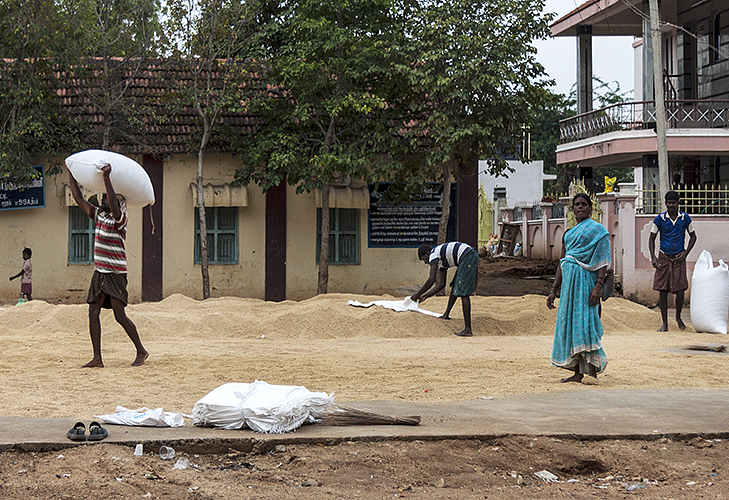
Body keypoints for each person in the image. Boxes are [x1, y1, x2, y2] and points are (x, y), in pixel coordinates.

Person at [66, 162, 148, 367]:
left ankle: (141, 351)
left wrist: (106, 178)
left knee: (120, 316)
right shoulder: (99, 216)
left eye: (106, 198)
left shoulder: (120, 220)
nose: (103, 200)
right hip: (99, 273)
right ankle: (97, 358)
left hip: (115, 274)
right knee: (93, 312)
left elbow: (113, 204)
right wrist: (71, 175)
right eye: (102, 198)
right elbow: (78, 199)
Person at [546, 193, 610, 384]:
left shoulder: (598, 231)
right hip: (568, 288)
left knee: (586, 322)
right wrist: (553, 289)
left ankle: (592, 373)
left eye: (584, 204)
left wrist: (598, 285)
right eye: (576, 205)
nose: (580, 207)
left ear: (591, 209)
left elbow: (602, 260)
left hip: (587, 285)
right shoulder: (568, 234)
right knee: (570, 325)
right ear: (572, 209)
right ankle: (576, 372)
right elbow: (563, 262)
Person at [648, 190, 697, 331]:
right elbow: (651, 238)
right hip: (664, 257)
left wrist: (686, 253)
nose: (671, 205)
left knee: (680, 289)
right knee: (662, 290)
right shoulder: (659, 219)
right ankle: (665, 323)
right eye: (668, 203)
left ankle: (678, 317)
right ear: (665, 203)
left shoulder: (685, 219)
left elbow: (693, 237)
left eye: (673, 203)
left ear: (678, 203)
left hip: (679, 257)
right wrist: (653, 257)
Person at [410, 241, 478, 337]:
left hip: (467, 256)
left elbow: (431, 279)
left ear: (427, 253)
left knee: (463, 293)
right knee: (455, 285)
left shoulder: (433, 254)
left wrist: (417, 294)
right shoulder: (441, 261)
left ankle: (468, 329)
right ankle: (446, 314)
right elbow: (441, 284)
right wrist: (425, 296)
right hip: (468, 256)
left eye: (423, 259)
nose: (425, 262)